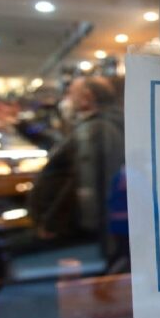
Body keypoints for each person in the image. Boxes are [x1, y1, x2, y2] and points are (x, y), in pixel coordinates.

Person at [28, 76, 125, 253]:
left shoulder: (97, 128)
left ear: (86, 97)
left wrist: (51, 223)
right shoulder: (98, 124)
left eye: (70, 93)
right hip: (84, 229)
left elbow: (83, 185)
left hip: (77, 232)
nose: (66, 99)